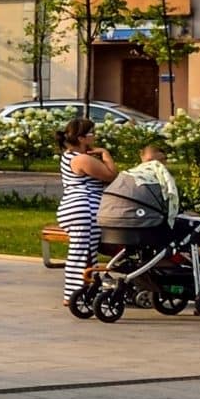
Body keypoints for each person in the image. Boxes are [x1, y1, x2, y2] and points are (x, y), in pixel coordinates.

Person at [57, 117, 118, 309]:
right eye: (92, 133)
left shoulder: (70, 156)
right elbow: (111, 176)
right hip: (84, 209)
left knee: (85, 253)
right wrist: (106, 154)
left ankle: (81, 291)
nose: (95, 137)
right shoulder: (80, 159)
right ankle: (75, 294)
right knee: (81, 253)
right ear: (82, 138)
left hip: (80, 208)